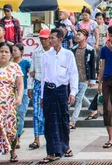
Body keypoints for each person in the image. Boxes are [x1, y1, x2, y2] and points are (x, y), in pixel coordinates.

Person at [40, 28, 78, 162]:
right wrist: (42, 96)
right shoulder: (45, 55)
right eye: (49, 38)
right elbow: (43, 76)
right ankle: (51, 151)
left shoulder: (68, 55)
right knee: (49, 122)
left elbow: (73, 74)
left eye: (52, 38)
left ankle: (65, 147)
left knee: (63, 119)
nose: (49, 40)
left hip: (62, 90)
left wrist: (73, 92)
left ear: (60, 39)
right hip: (49, 91)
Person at [27, 29, 51, 150]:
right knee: (36, 113)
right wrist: (30, 86)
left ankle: (49, 137)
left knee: (49, 114)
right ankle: (36, 139)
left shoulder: (55, 52)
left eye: (45, 38)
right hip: (37, 84)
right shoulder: (36, 53)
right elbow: (31, 71)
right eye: (41, 38)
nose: (43, 41)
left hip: (50, 86)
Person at [69, 29, 96, 129]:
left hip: (84, 77)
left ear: (85, 37)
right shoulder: (73, 50)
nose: (76, 36)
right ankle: (93, 109)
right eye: (76, 34)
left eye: (79, 34)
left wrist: (92, 79)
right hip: (74, 78)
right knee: (80, 96)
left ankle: (73, 121)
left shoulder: (90, 50)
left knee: (78, 99)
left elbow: (92, 65)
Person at [11, 43, 31, 148]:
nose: (13, 52)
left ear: (21, 52)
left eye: (15, 50)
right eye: (12, 50)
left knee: (21, 114)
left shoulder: (26, 63)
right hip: (11, 92)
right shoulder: (9, 64)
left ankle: (18, 138)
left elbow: (31, 76)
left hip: (23, 91)